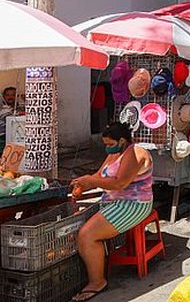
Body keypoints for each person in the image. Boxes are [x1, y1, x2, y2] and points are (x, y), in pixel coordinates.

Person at [71, 122, 153, 301]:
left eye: (109, 144)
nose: (107, 148)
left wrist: (91, 182)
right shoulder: (115, 153)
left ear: (122, 140)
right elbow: (99, 176)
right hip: (112, 201)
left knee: (87, 235)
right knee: (76, 223)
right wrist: (82, 185)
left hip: (134, 204)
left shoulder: (136, 153)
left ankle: (97, 281)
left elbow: (120, 183)